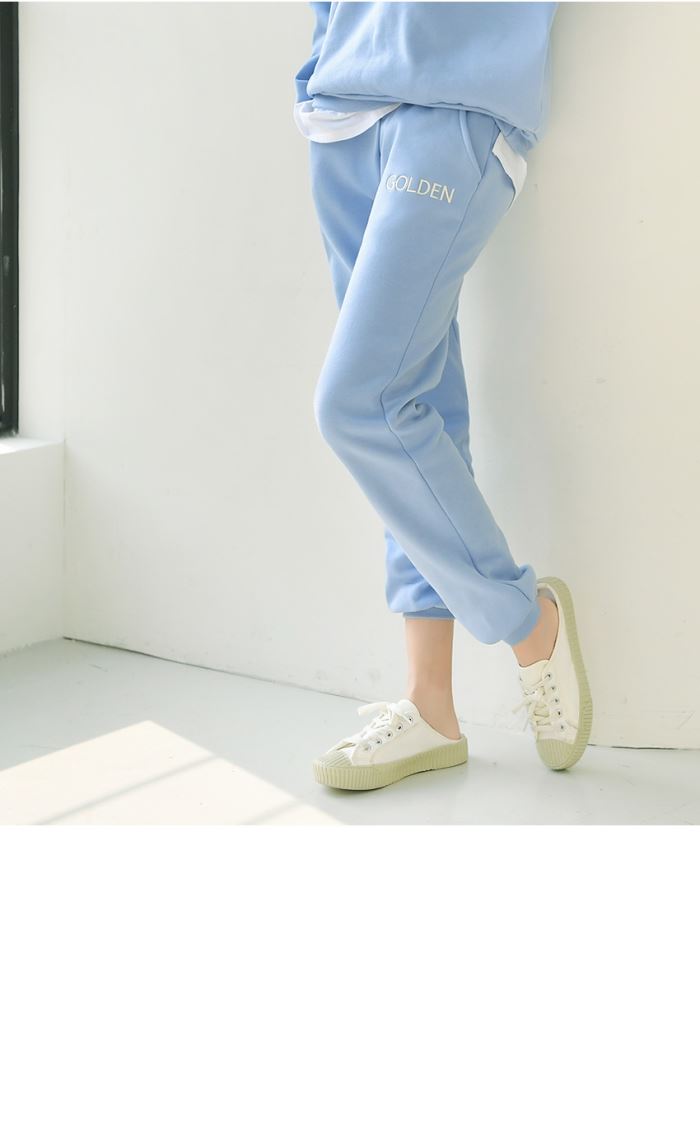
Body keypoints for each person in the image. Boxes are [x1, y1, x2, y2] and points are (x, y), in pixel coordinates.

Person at [293, 1, 592, 791]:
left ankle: (525, 620)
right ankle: (431, 706)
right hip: (342, 113)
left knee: (360, 404)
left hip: (455, 101)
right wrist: (317, 72)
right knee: (415, 409)